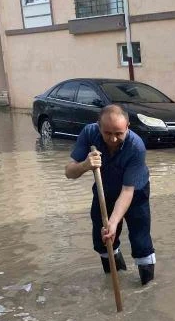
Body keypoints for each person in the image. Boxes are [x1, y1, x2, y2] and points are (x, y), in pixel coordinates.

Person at [65, 105, 156, 285]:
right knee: (103, 240)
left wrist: (113, 223)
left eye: (119, 133)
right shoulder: (89, 133)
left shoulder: (136, 147)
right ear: (98, 126)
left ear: (128, 127)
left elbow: (127, 191)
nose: (113, 139)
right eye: (107, 133)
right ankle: (115, 280)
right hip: (104, 191)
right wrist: (85, 165)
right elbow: (69, 172)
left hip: (134, 192)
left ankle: (147, 288)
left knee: (140, 240)